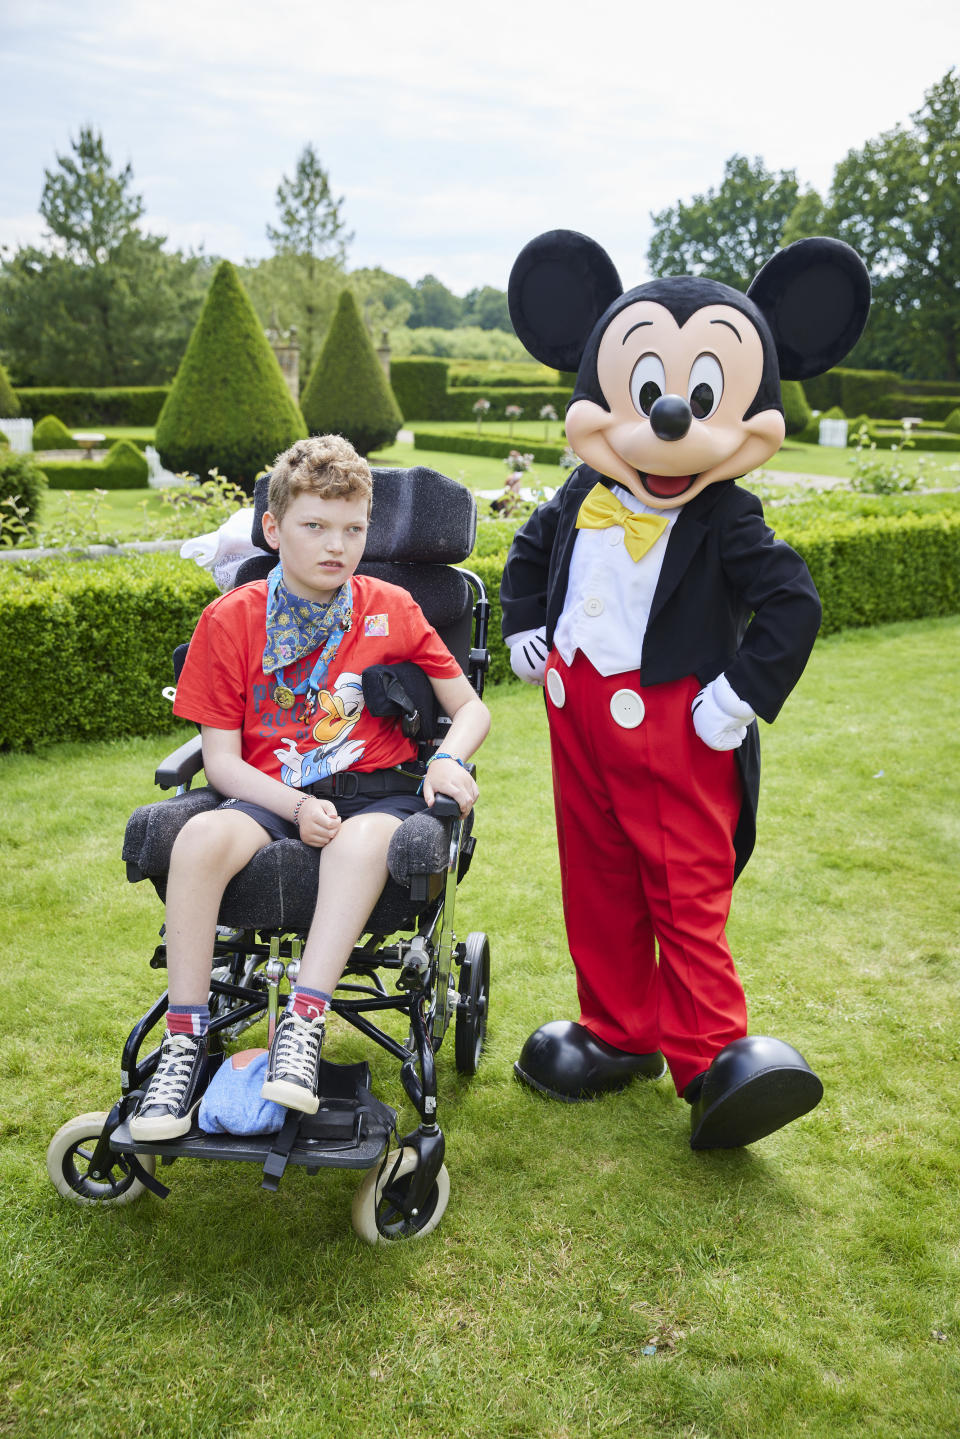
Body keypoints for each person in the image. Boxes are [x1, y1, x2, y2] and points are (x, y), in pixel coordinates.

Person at [130, 435, 490, 1141]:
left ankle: (303, 1022)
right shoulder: (229, 620)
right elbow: (223, 762)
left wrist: (449, 757)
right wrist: (293, 804)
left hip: (375, 792)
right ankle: (182, 1041)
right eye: (315, 526)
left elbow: (469, 706)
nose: (338, 545)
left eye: (354, 529)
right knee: (199, 833)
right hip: (268, 792)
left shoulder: (390, 606)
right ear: (273, 528)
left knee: (359, 846)